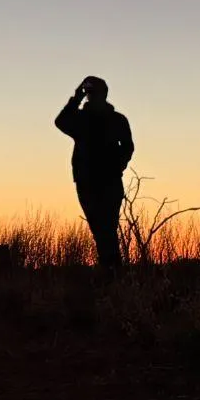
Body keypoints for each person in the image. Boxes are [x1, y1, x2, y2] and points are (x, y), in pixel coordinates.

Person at [55, 76, 135, 269]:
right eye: (88, 93)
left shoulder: (115, 119)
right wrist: (76, 98)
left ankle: (112, 271)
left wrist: (117, 166)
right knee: (100, 228)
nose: (91, 96)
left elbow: (128, 147)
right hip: (87, 180)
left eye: (93, 92)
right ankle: (111, 271)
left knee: (106, 228)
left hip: (108, 181)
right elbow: (60, 122)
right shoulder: (81, 119)